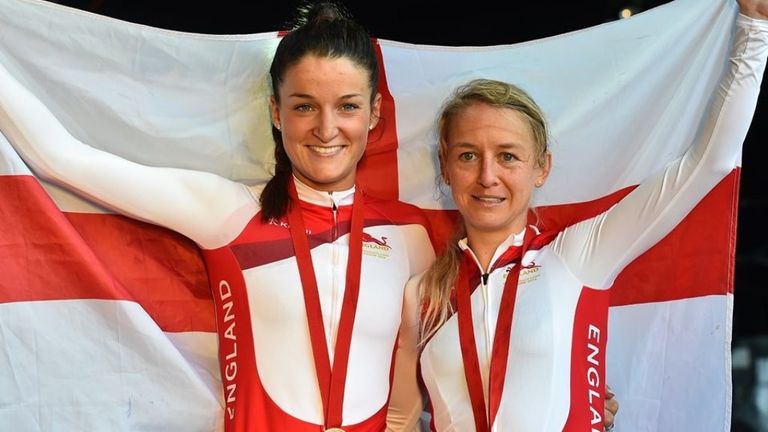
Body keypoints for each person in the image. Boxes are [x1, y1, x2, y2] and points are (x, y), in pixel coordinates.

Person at [0, 1, 621, 431]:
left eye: (346, 106)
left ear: (374, 114)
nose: (326, 129)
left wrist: (586, 393)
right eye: (303, 106)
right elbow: (62, 158)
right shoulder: (227, 213)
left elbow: (492, 333)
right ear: (276, 112)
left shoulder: (417, 236)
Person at [407, 0, 768, 430]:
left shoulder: (576, 258)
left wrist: (755, 28)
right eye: (468, 155)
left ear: (541, 168)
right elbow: (403, 417)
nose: (488, 176)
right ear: (446, 167)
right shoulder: (421, 294)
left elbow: (709, 163)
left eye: (508, 156)